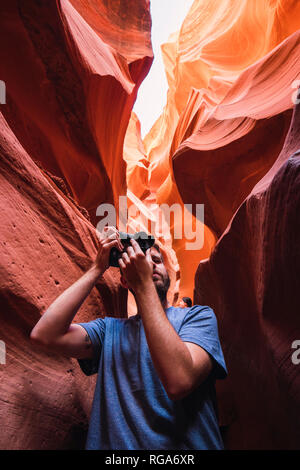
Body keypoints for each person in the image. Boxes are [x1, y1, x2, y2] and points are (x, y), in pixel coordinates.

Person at [30, 226, 227, 450]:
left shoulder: (198, 317)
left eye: (156, 260)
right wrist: (98, 267)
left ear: (168, 275)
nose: (150, 263)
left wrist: (143, 285)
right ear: (124, 281)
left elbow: (179, 381)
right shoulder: (108, 331)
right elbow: (44, 335)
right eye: (141, 259)